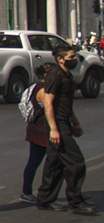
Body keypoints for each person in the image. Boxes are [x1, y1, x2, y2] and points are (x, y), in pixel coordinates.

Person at [35, 44, 96, 214]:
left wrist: (75, 122)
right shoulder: (55, 76)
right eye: (70, 58)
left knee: (55, 163)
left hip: (64, 121)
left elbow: (66, 104)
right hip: (58, 124)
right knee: (76, 162)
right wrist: (54, 128)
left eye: (74, 57)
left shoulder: (66, 75)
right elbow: (48, 103)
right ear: (60, 59)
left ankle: (45, 199)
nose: (74, 60)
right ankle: (76, 202)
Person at [19, 63, 55, 204]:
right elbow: (49, 108)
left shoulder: (39, 87)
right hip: (41, 131)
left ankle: (28, 191)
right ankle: (28, 192)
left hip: (39, 130)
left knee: (35, 162)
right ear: (46, 76)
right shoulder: (42, 90)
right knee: (37, 162)